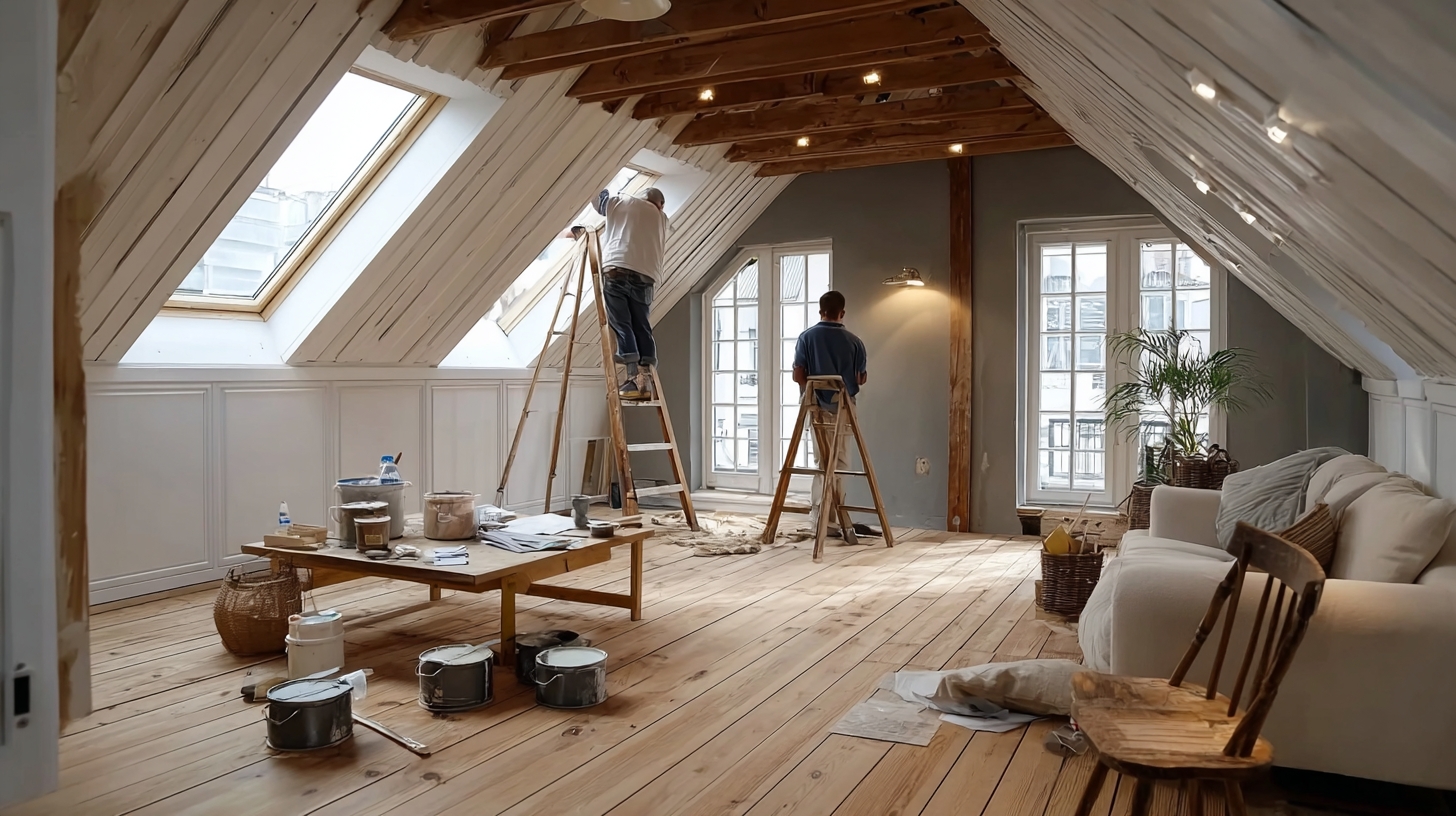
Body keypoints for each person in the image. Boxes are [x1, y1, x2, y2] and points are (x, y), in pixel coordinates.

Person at [792, 290, 868, 541]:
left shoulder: (806, 337)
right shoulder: (855, 341)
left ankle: (819, 519)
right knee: (842, 464)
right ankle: (836, 517)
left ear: (820, 310)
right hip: (844, 408)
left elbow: (798, 375)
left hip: (816, 406)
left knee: (822, 462)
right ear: (842, 313)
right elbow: (860, 379)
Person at [594, 186, 667, 401]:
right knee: (641, 325)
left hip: (617, 267)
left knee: (622, 324)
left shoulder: (623, 202)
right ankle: (647, 379)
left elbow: (599, 201)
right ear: (660, 204)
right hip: (646, 275)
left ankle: (633, 378)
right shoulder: (663, 219)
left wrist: (603, 188)